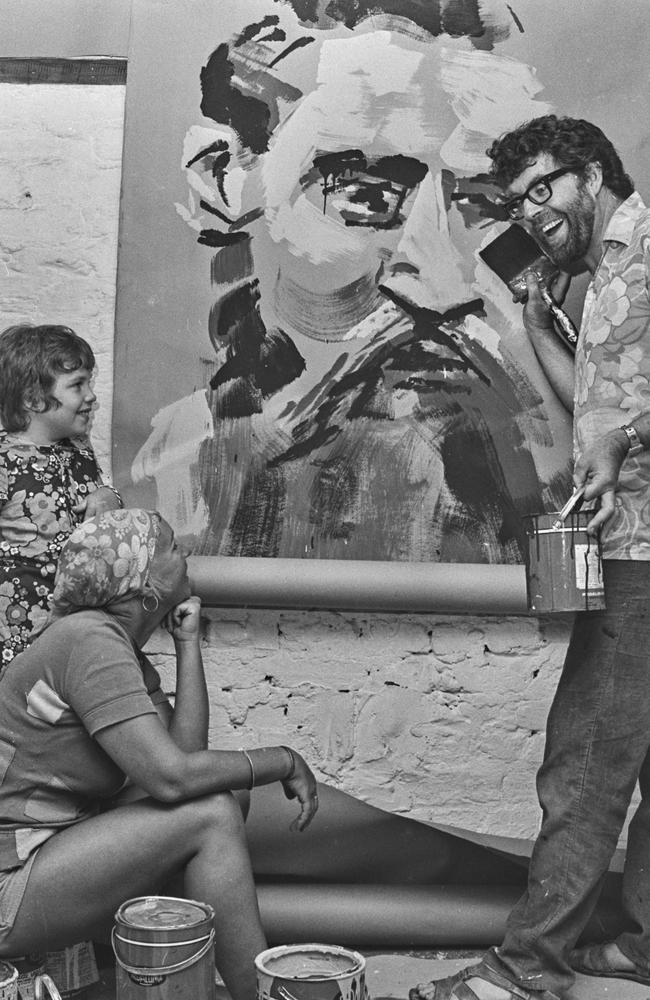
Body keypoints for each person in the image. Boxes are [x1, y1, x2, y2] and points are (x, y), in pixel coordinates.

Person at [127, 3, 575, 563]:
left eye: (480, 205)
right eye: (363, 197)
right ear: (226, 186)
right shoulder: (177, 477)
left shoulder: (545, 474)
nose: (445, 287)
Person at [408, 115, 650, 999]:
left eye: (544, 188)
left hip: (645, 549)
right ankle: (642, 946)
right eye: (518, 201)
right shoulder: (599, 276)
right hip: (626, 534)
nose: (531, 210)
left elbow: (619, 426)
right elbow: (586, 392)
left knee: (584, 757)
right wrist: (527, 312)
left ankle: (523, 973)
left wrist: (628, 438)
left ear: (591, 172)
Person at [0, 507, 319, 1000]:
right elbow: (174, 779)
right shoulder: (87, 639)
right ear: (141, 581)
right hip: (9, 883)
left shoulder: (118, 649)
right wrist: (283, 759)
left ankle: (166, 976)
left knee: (225, 799)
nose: (185, 550)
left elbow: (183, 761)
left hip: (49, 854)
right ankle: (258, 994)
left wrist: (188, 644)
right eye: (170, 545)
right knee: (212, 814)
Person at [0, 324, 122, 668]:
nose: (91, 396)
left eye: (90, 382)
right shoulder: (5, 458)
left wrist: (108, 495)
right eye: (77, 385)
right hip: (18, 627)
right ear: (34, 399)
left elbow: (107, 520)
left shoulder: (81, 452)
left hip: (79, 622)